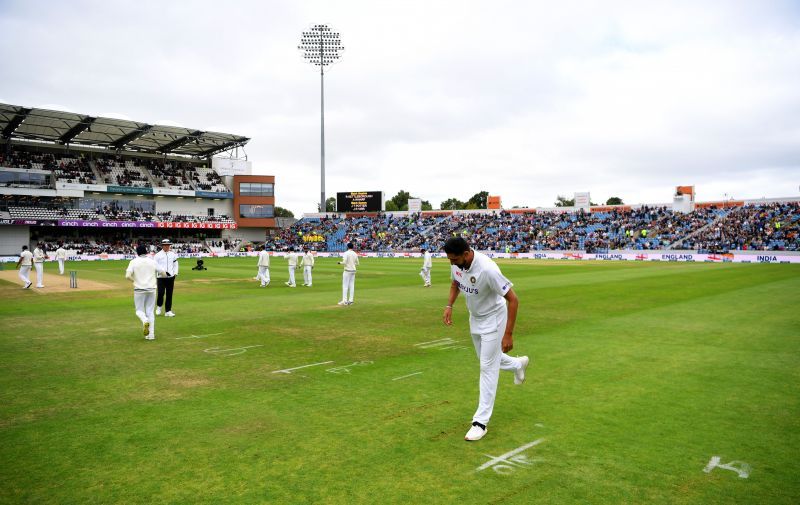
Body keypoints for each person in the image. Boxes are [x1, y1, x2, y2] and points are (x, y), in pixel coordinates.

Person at [442, 237, 529, 442]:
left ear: (466, 254)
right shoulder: (456, 264)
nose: (452, 263)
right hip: (476, 318)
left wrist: (508, 334)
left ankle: (480, 423)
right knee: (486, 360)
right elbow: (455, 283)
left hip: (494, 318)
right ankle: (518, 364)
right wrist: (449, 305)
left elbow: (514, 300)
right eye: (449, 260)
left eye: (454, 259)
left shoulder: (488, 269)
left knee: (487, 368)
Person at [125, 244, 163, 340]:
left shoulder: (133, 262)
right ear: (146, 252)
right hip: (152, 289)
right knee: (150, 311)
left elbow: (127, 276)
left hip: (139, 289)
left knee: (139, 311)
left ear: (137, 253)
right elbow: (162, 272)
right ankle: (151, 335)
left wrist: (135, 281)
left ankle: (144, 320)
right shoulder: (152, 261)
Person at [154, 238, 179, 317]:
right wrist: (162, 272)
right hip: (161, 277)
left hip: (170, 277)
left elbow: (176, 264)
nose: (167, 246)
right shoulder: (157, 255)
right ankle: (159, 306)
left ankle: (168, 311)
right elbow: (155, 266)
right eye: (165, 245)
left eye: (168, 245)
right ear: (162, 246)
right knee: (161, 293)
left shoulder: (173, 254)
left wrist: (175, 273)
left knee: (169, 294)